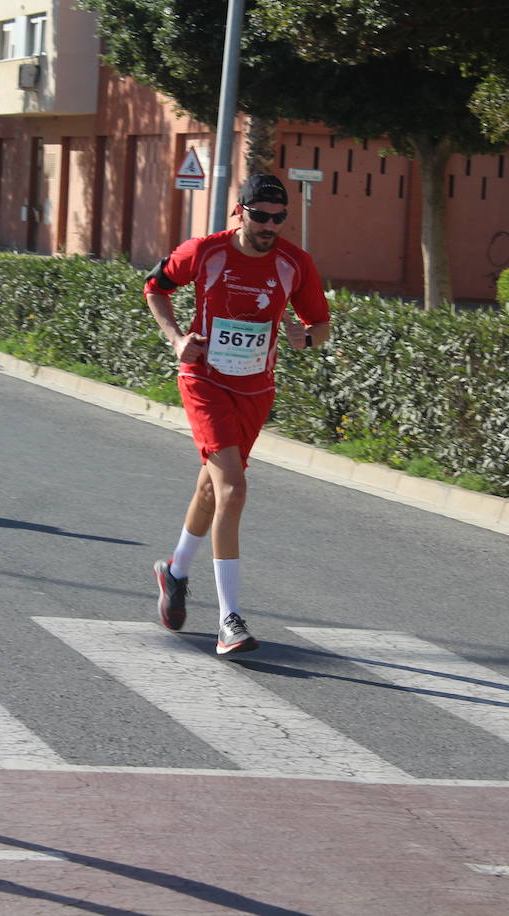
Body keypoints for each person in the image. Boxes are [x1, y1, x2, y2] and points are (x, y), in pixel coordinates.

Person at [144, 174, 331, 655]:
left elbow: (321, 326)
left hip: (255, 389)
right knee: (233, 485)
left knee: (213, 486)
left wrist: (305, 338)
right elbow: (155, 287)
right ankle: (229, 618)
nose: (269, 226)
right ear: (240, 212)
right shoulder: (206, 251)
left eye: (278, 218)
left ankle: (175, 571)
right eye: (260, 216)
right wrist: (177, 339)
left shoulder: (295, 263)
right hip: (204, 380)